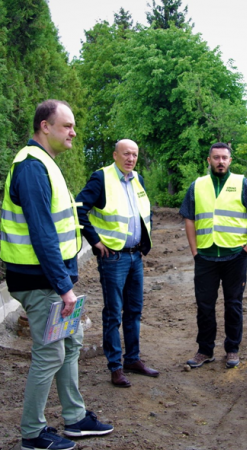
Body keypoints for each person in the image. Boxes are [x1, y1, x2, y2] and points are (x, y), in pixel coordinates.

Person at [0, 100, 113, 450]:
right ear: (44, 127)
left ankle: (75, 417)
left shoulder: (45, 164)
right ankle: (32, 433)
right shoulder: (32, 168)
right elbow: (42, 234)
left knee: (71, 343)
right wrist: (64, 288)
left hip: (54, 280)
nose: (74, 132)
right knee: (50, 354)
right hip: (42, 282)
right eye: (67, 125)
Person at [76, 139, 159, 388]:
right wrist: (94, 241)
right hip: (113, 258)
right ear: (115, 155)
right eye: (125, 154)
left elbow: (145, 212)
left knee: (134, 310)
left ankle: (132, 359)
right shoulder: (101, 178)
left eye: (134, 154)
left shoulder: (138, 180)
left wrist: (144, 241)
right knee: (113, 313)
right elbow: (79, 208)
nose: (130, 158)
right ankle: (116, 366)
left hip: (135, 256)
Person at [180, 142, 247, 369]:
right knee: (204, 306)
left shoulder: (242, 184)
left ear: (230, 161)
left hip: (235, 256)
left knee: (233, 304)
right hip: (206, 256)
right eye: (216, 157)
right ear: (209, 160)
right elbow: (189, 218)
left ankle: (232, 349)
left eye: (224, 158)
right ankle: (205, 350)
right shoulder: (197, 186)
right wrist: (194, 251)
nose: (220, 161)